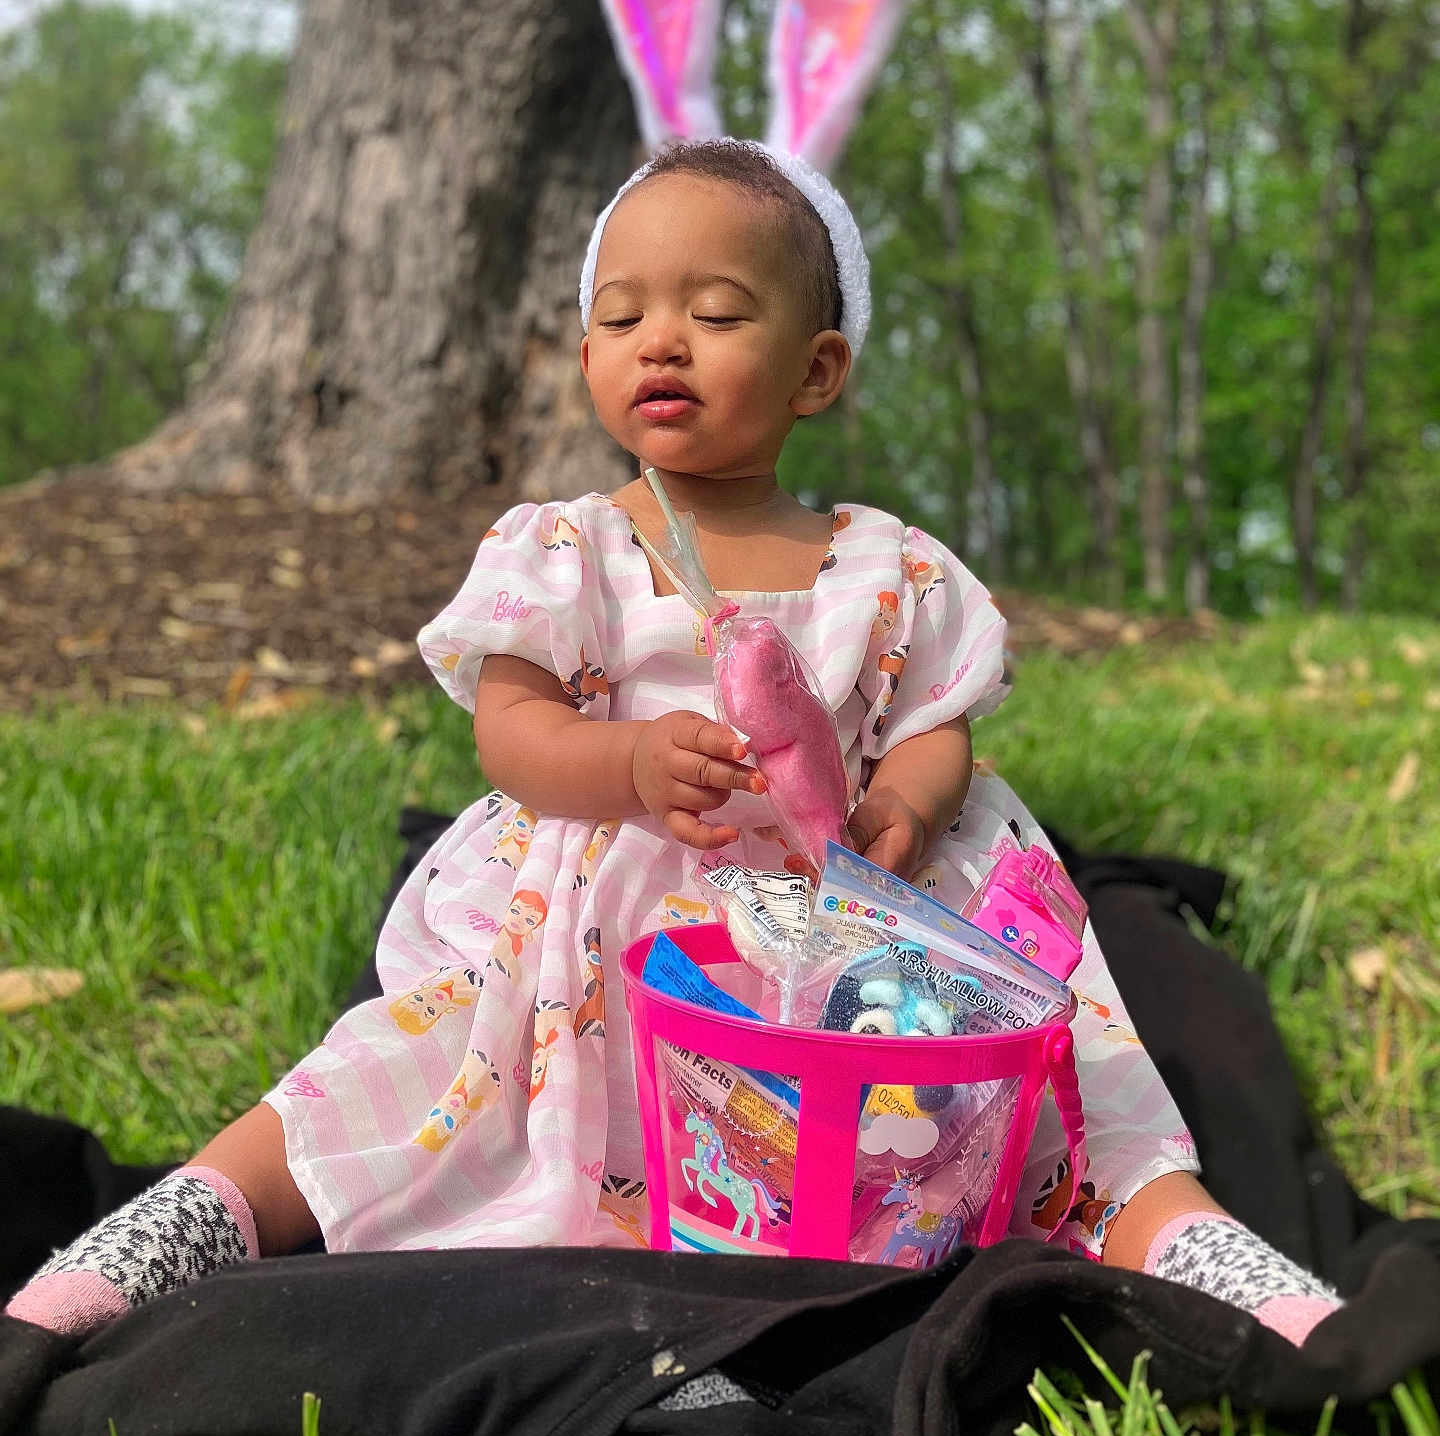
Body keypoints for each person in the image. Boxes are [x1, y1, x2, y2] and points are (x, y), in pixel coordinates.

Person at [6, 140, 1341, 1349]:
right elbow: (512, 731)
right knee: (411, 1066)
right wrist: (627, 765)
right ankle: (198, 1214)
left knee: (1066, 1067)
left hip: (870, 930)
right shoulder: (574, 546)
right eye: (624, 315)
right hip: (608, 912)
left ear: (817, 368)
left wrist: (910, 809)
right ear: (586, 358)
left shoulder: (889, 564)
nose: (663, 342)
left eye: (715, 314)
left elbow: (943, 731)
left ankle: (1188, 1238)